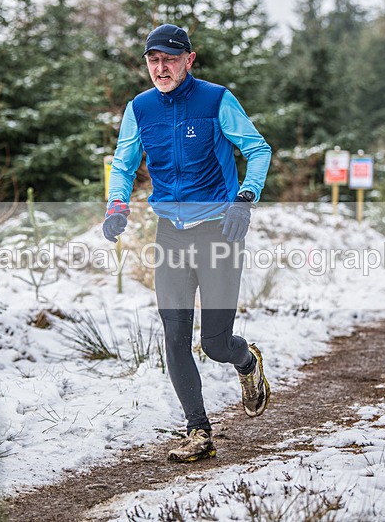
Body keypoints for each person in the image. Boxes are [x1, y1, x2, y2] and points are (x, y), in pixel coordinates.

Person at [102, 24, 272, 463]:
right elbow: (123, 163)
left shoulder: (216, 100)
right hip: (171, 234)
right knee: (174, 337)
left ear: (189, 60)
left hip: (218, 231)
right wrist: (117, 203)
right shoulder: (140, 108)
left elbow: (258, 150)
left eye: (170, 59)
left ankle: (246, 361)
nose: (161, 68)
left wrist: (245, 199)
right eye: (153, 60)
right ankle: (198, 431)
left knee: (215, 343)